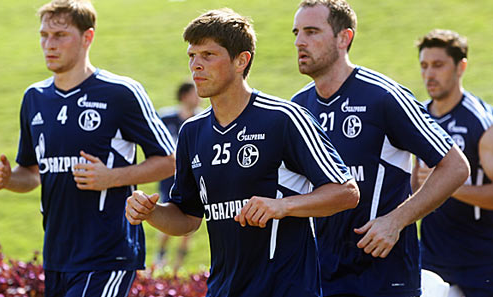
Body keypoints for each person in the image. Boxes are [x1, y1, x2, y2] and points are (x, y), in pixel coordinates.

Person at [125, 8, 360, 297]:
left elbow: (346, 192)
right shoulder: (192, 132)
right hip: (222, 290)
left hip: (286, 290)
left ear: (241, 61)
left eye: (208, 55)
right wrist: (152, 213)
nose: (196, 65)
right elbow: (187, 218)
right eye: (192, 56)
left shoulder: (284, 119)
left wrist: (283, 206)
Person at [0, 0, 175, 296]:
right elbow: (32, 173)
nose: (49, 44)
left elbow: (170, 159)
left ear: (88, 37)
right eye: (44, 35)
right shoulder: (34, 97)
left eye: (60, 36)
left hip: (108, 254)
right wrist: (9, 179)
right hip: (57, 256)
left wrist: (111, 177)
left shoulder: (121, 92)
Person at [291, 1, 470, 296]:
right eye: (297, 32)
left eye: (312, 31)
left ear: (343, 38)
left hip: (384, 277)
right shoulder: (297, 108)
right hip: (321, 276)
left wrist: (395, 221)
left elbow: (456, 167)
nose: (299, 41)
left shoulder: (384, 97)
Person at [413, 29, 493, 297]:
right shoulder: (419, 119)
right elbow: (414, 184)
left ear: (461, 67)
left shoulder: (482, 124)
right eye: (424, 66)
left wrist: (447, 183)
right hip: (433, 256)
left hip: (481, 261)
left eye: (438, 65)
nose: (429, 74)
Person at [154, 82, 202, 272]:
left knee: (190, 224)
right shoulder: (167, 118)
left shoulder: (203, 119)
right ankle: (161, 256)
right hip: (170, 178)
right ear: (183, 96)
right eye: (193, 94)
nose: (197, 97)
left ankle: (177, 267)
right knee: (167, 216)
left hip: (194, 178)